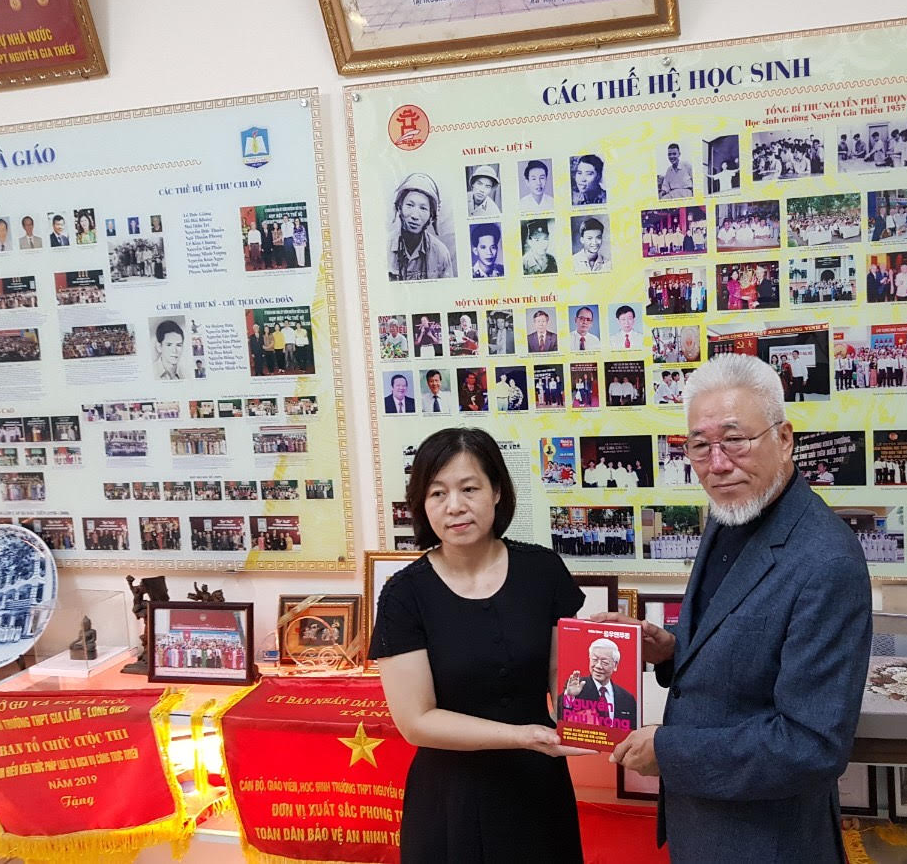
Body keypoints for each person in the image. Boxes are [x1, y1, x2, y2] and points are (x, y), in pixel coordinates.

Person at [595, 353, 871, 862]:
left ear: (784, 439)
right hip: (701, 825)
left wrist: (667, 751)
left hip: (767, 840)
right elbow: (740, 645)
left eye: (735, 440)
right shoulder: (731, 512)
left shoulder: (827, 560)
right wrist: (670, 650)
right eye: (700, 446)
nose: (717, 464)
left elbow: (812, 744)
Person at [370, 428, 593, 863]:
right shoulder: (404, 594)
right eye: (437, 493)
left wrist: (602, 717)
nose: (454, 506)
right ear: (422, 504)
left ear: (497, 492)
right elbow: (416, 721)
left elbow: (561, 676)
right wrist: (521, 736)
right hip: (450, 794)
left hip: (537, 787)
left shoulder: (543, 571)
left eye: (469, 489)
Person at [388, 173, 455, 280]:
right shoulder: (384, 248)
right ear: (399, 208)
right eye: (410, 205)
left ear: (431, 216)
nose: (415, 216)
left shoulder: (440, 253)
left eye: (423, 208)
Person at [560, 637, 638, 729]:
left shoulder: (627, 698)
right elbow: (561, 717)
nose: (598, 666)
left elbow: (632, 729)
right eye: (595, 660)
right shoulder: (576, 687)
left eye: (605, 662)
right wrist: (569, 696)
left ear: (615, 665)